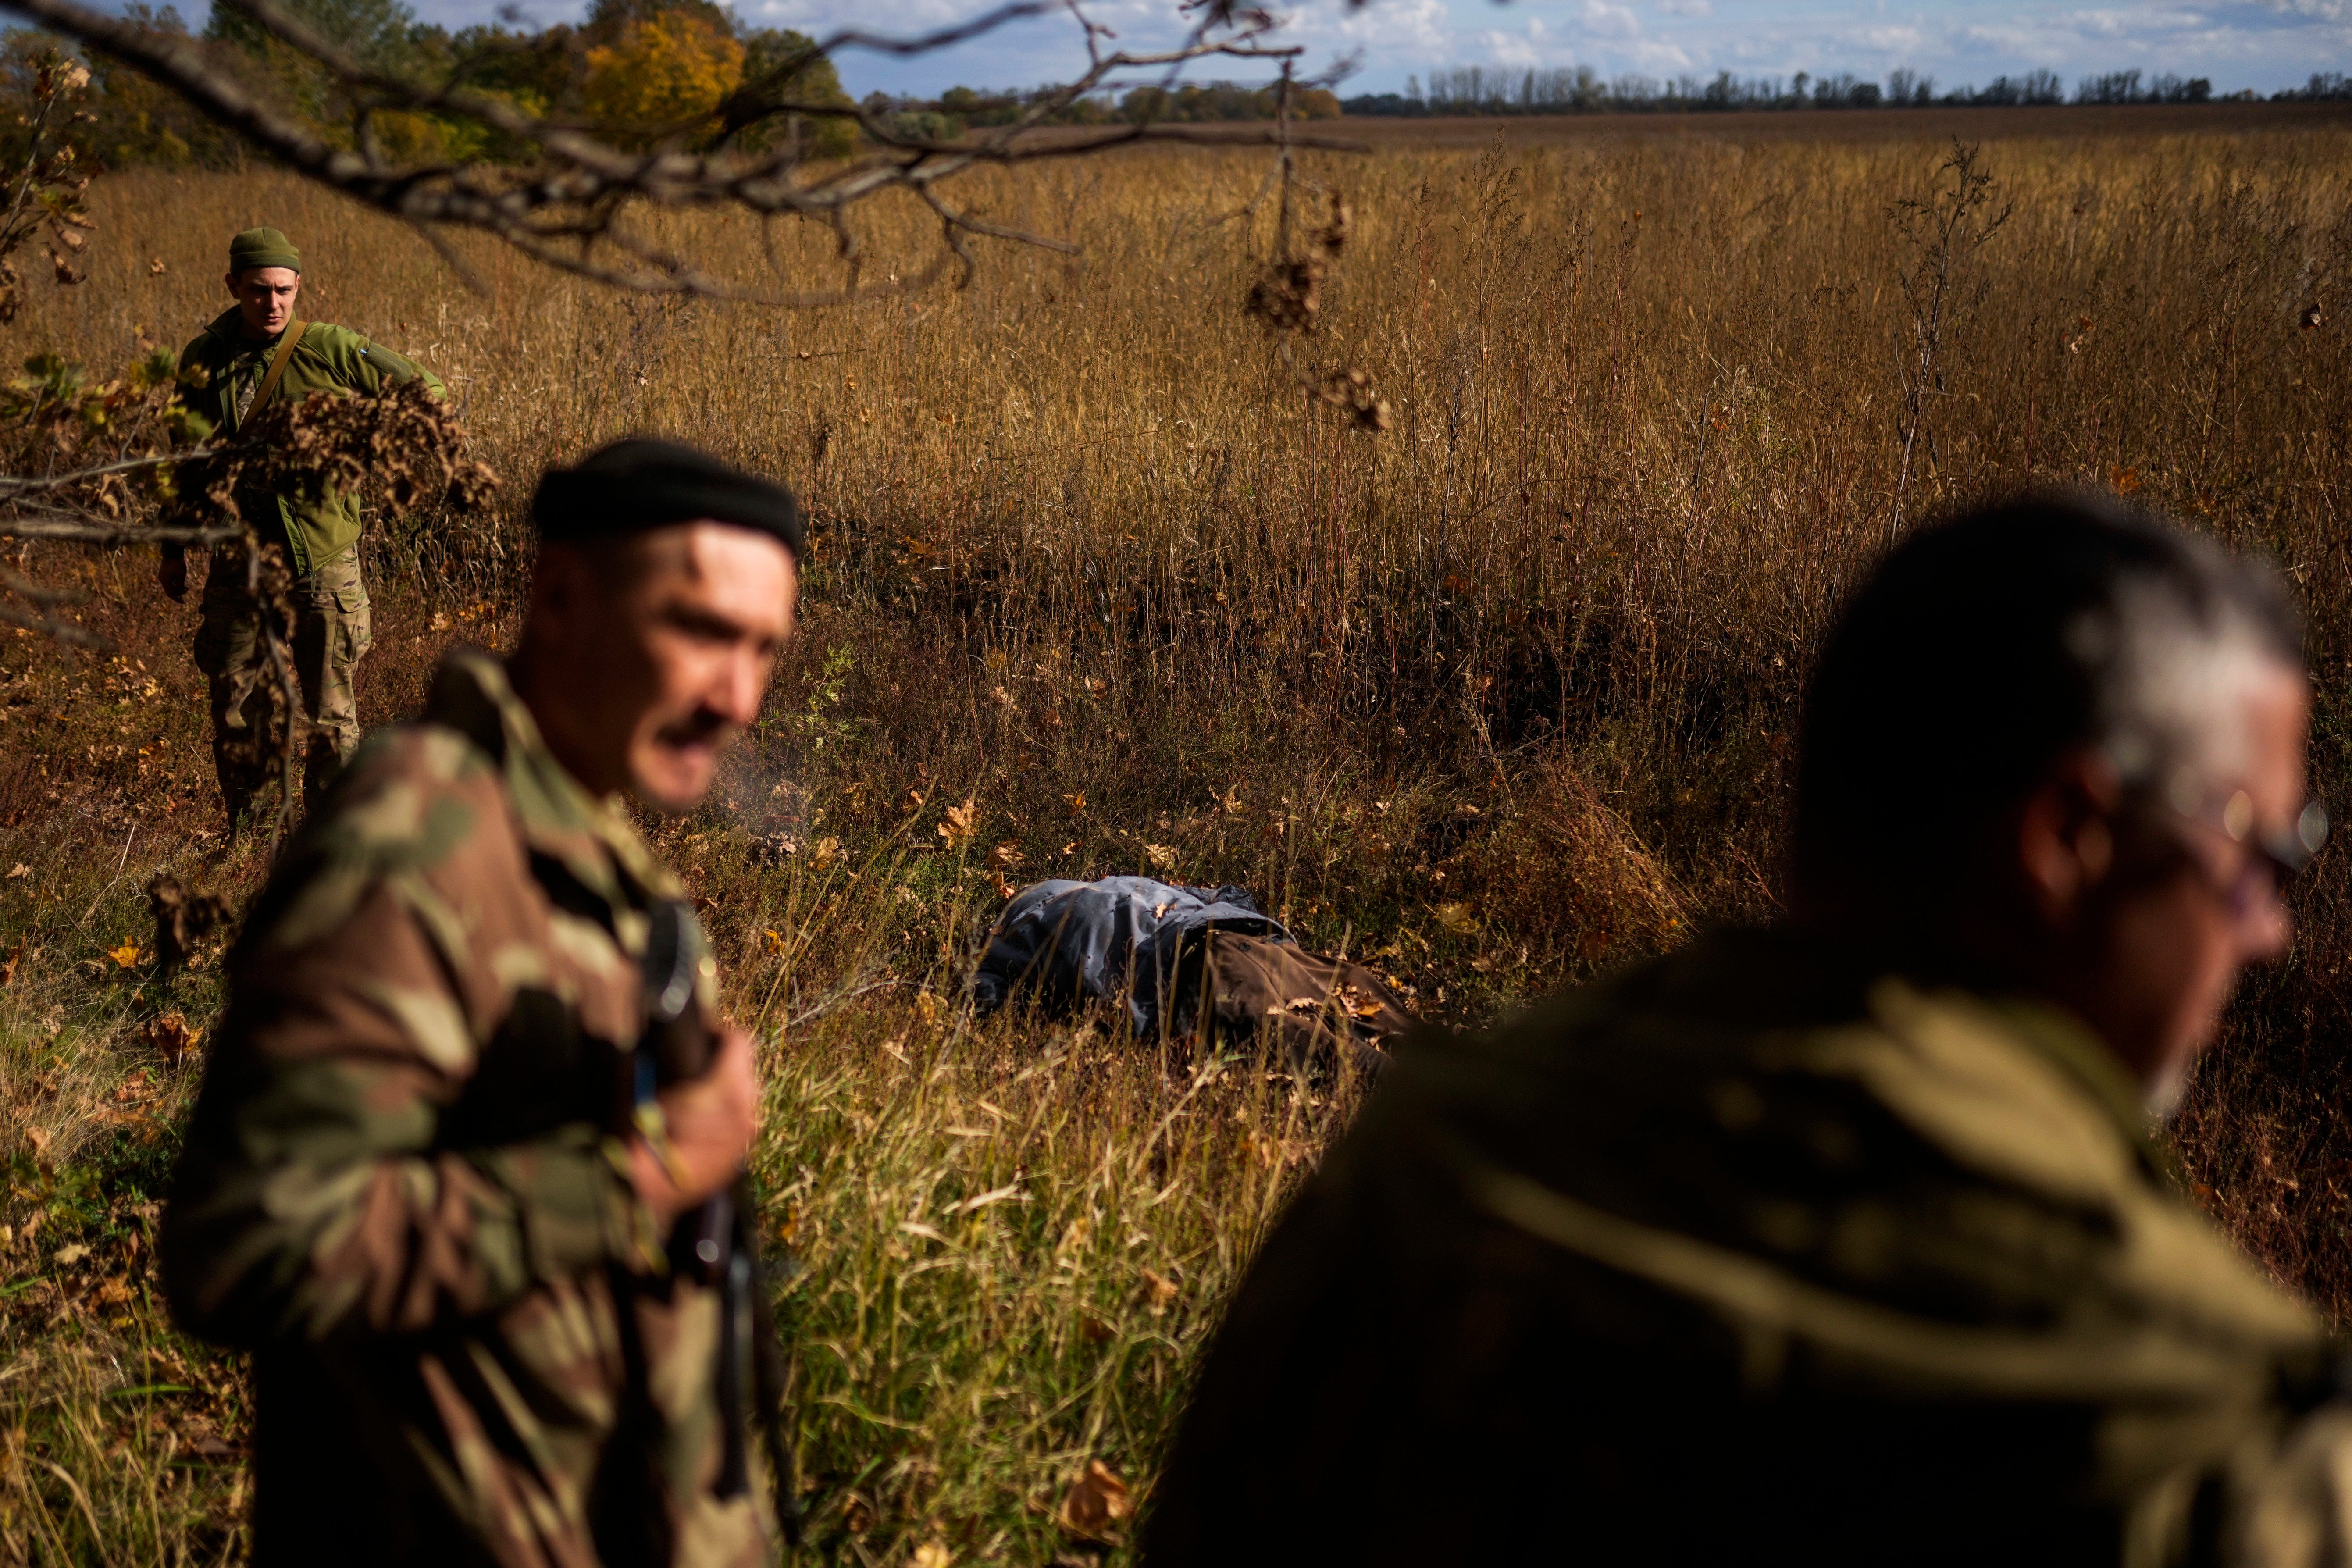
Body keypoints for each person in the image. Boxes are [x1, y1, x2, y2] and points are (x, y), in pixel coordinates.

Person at [1142, 494, 2347, 1567]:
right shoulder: (2233, 1434)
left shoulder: (1414, 1177)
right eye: (2262, 854)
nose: (2267, 931)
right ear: (2066, 837)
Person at [162, 439, 802, 1568]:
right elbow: (246, 1242)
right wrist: (639, 1178)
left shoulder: (580, 845)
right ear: (560, 597)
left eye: (764, 650)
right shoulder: (419, 846)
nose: (737, 698)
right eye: (701, 631)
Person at [163, 225, 445, 827]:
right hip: (240, 560)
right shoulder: (204, 358)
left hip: (322, 558)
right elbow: (183, 458)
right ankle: (250, 838)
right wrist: (173, 547)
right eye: (258, 290)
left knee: (329, 719)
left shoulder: (331, 348)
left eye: (284, 290)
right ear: (233, 286)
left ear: (298, 287)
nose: (272, 303)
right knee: (237, 706)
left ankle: (335, 843)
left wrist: (365, 442)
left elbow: (427, 393)